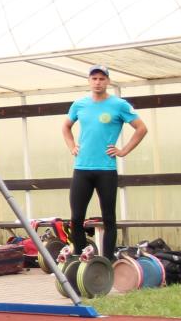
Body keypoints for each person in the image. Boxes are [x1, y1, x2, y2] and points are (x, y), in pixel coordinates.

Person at [60, 65, 146, 257]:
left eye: (101, 78)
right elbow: (66, 127)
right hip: (82, 168)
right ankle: (80, 258)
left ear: (107, 81)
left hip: (106, 170)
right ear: (89, 81)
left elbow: (141, 128)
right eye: (94, 79)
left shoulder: (119, 105)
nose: (97, 82)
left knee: (109, 218)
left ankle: (107, 262)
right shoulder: (79, 104)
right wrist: (72, 146)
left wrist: (123, 150)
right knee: (76, 217)